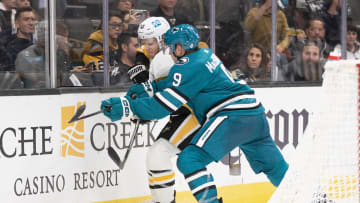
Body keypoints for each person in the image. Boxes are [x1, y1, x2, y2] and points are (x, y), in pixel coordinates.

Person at [101, 24, 288, 203]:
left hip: (233, 116)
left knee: (189, 159)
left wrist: (127, 106)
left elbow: (164, 105)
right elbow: (181, 82)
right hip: (255, 114)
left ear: (180, 48)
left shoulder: (187, 66)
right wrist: (149, 88)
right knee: (277, 169)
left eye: (171, 47)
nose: (169, 52)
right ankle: (312, 197)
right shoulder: (204, 54)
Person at [126, 17, 202, 203]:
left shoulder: (163, 61)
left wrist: (143, 110)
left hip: (197, 113)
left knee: (158, 154)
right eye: (143, 43)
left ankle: (164, 201)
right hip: (187, 113)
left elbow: (165, 100)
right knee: (155, 156)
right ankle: (160, 199)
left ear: (162, 40)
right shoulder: (164, 57)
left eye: (150, 43)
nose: (146, 48)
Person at [81, 10, 123, 86]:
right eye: (113, 25)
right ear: (104, 25)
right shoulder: (95, 45)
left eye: (120, 25)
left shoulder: (118, 43)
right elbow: (100, 77)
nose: (117, 28)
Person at [5, 6, 35, 71]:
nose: (31, 23)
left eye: (33, 19)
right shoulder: (12, 49)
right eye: (26, 19)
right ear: (17, 24)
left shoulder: (38, 45)